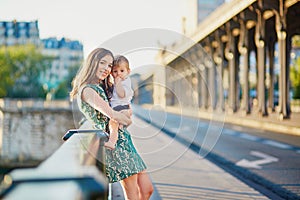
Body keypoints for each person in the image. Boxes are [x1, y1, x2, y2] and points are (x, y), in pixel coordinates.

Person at [70, 48, 153, 200]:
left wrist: (124, 116)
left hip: (124, 140)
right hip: (117, 146)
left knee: (147, 189)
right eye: (103, 63)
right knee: (133, 194)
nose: (107, 69)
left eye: (109, 65)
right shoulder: (87, 90)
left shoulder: (101, 87)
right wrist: (128, 119)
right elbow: (111, 114)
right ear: (92, 63)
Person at [104, 55, 134, 150]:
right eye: (115, 71)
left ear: (128, 71)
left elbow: (121, 94)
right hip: (118, 107)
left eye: (122, 71)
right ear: (111, 73)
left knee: (113, 124)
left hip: (121, 107)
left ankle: (112, 142)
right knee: (116, 125)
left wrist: (117, 83)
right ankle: (120, 128)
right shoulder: (119, 82)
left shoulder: (125, 82)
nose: (118, 74)